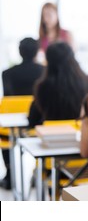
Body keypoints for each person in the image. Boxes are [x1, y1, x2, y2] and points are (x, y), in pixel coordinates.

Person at [1, 37, 44, 189]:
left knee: (5, 138)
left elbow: (8, 98)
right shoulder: (44, 71)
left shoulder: (7, 73)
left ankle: (9, 174)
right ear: (37, 51)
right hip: (37, 122)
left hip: (11, 125)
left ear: (19, 52)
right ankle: (38, 172)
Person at [28, 42, 88, 127]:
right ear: (72, 57)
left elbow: (33, 120)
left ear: (48, 60)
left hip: (51, 136)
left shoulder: (42, 87)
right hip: (80, 134)